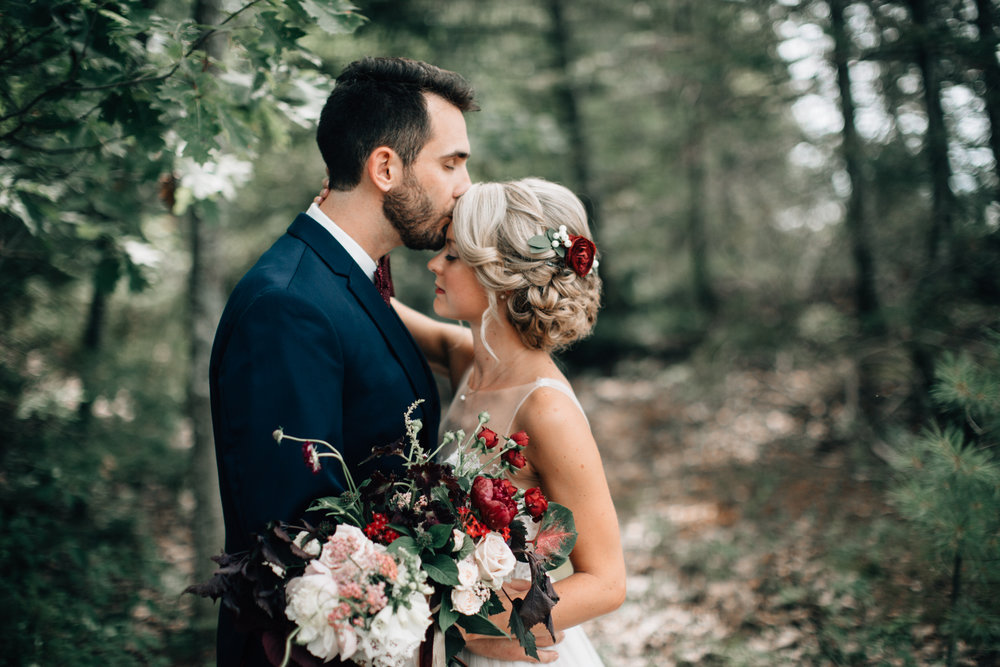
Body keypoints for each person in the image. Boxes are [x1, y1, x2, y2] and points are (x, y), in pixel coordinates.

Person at [208, 56, 475, 667]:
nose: (465, 184)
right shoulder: (287, 306)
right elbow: (294, 545)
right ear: (385, 166)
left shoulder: (349, 277)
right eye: (451, 163)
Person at [394, 178, 627, 665]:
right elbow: (382, 312)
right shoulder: (471, 361)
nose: (435, 263)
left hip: (500, 642)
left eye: (453, 255)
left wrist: (494, 623)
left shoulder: (547, 411)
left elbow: (607, 582)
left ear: (497, 274)